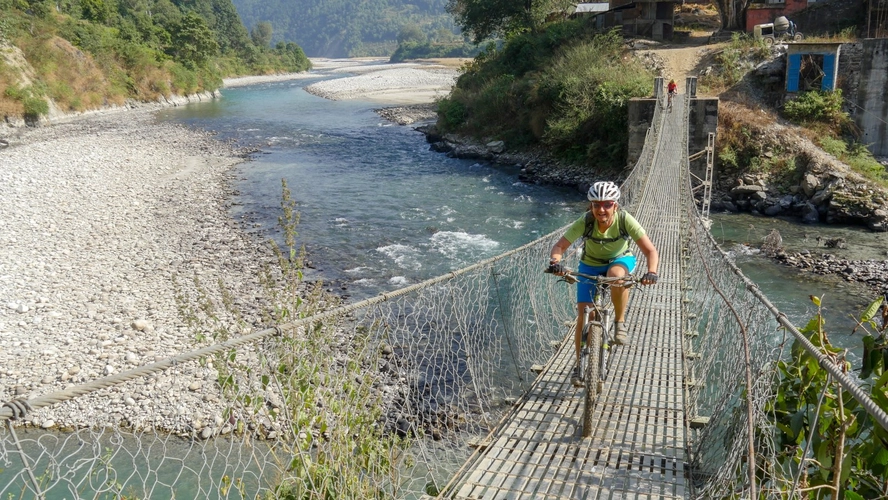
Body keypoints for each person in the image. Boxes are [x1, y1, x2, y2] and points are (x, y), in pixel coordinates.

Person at [547, 181, 659, 384]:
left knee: (616, 274)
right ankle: (580, 363)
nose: (601, 209)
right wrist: (556, 263)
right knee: (583, 315)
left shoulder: (625, 220)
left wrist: (651, 272)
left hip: (620, 260)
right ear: (590, 206)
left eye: (607, 204)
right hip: (590, 264)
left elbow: (650, 250)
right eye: (596, 204)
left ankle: (619, 322)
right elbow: (559, 246)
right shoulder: (586, 221)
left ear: (615, 205)